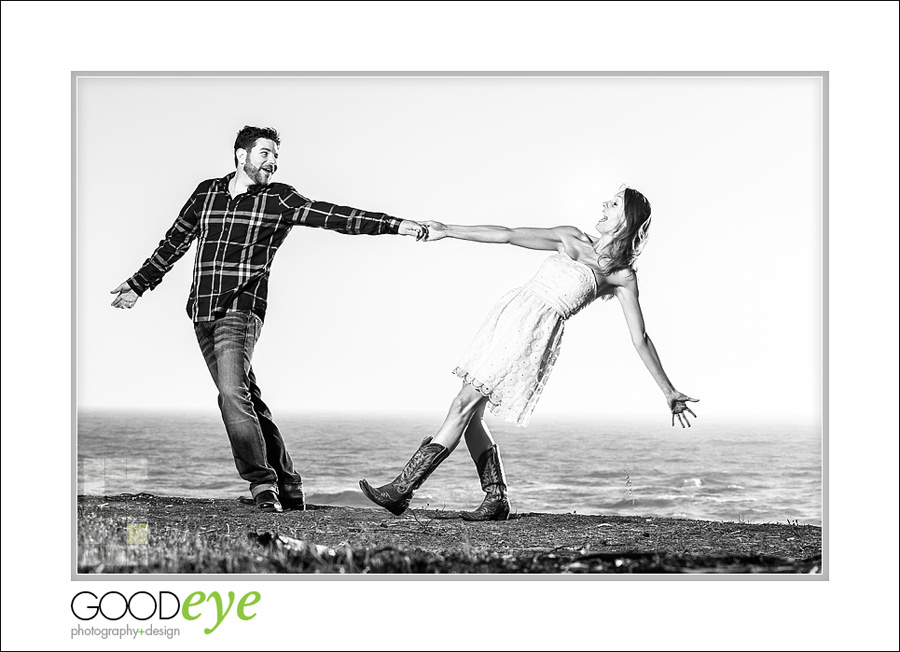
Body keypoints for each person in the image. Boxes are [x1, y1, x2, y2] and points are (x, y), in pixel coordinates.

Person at [110, 125, 426, 514]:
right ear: (241, 155)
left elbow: (335, 216)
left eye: (275, 155)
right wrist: (139, 284)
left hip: (241, 312)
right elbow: (174, 241)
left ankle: (262, 484)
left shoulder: (280, 199)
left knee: (230, 395)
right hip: (201, 311)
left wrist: (395, 224)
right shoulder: (206, 193)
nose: (272, 161)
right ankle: (289, 485)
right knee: (247, 398)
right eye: (264, 153)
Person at [360, 184, 697, 521]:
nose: (604, 204)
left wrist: (667, 390)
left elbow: (640, 337)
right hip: (508, 320)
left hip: (532, 335)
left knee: (463, 405)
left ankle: (402, 490)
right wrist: (447, 231)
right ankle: (495, 500)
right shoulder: (570, 237)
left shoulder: (621, 276)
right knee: (472, 416)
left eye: (614, 203)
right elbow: (507, 235)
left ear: (627, 219)